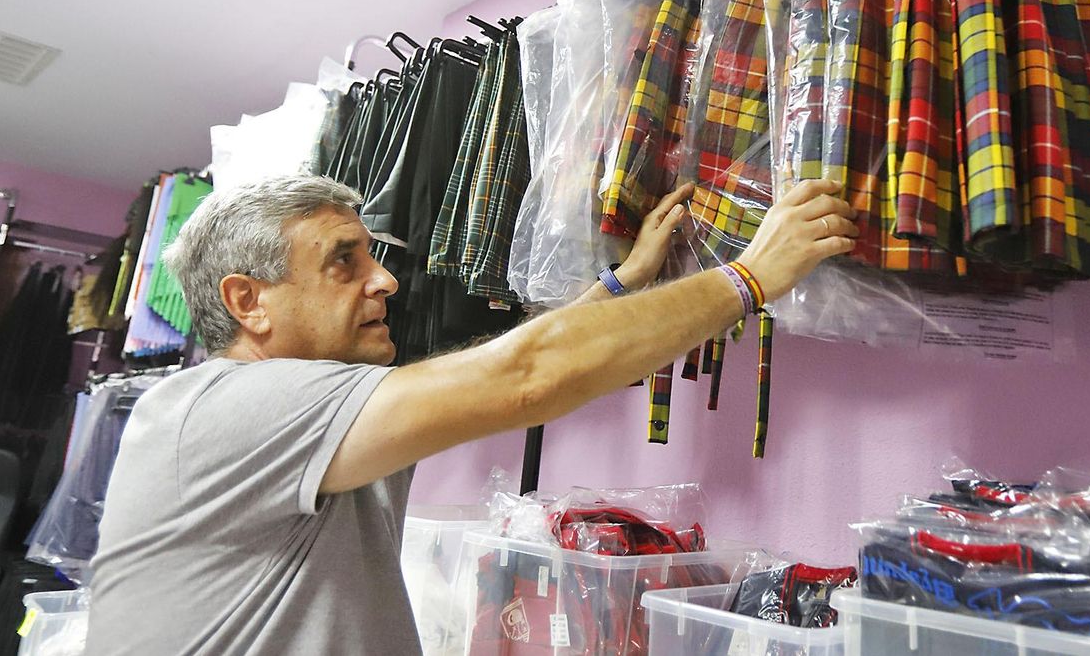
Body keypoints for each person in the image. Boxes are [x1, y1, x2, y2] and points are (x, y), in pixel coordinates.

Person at [84, 172, 856, 655]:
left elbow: (484, 372)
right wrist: (750, 276)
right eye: (343, 260)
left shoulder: (294, 406)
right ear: (248, 302)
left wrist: (621, 287)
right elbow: (521, 377)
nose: (383, 279)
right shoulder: (228, 409)